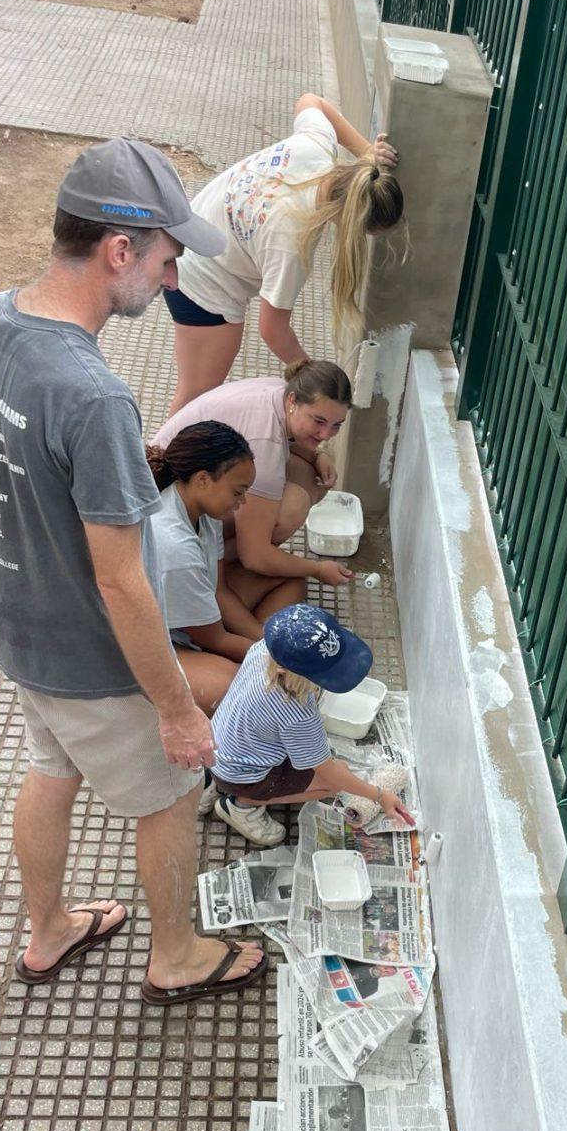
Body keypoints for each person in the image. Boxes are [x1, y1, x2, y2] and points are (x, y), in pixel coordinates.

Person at [0, 138, 267, 1007]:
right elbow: (124, 582)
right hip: (90, 655)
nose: (173, 280)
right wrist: (175, 709)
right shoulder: (94, 396)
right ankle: (177, 956)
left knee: (51, 771)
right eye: (168, 259)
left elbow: (17, 469)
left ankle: (48, 930)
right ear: (118, 249)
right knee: (171, 796)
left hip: (18, 624)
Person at [162, 93, 403, 414]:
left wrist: (366, 151)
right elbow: (272, 329)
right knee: (196, 399)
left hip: (191, 234)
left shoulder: (316, 146)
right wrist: (310, 372)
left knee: (195, 397)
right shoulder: (292, 241)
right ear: (351, 222)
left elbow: (311, 101)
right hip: (202, 282)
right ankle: (154, 463)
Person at [151, 359, 355, 613]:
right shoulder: (264, 443)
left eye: (337, 425)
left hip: (172, 487)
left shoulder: (279, 391)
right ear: (293, 401)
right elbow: (254, 558)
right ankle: (230, 559)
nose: (326, 434)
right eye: (319, 421)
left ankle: (229, 558)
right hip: (170, 521)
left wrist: (316, 455)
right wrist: (317, 569)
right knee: (287, 520)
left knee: (308, 477)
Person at [208, 603, 415, 846]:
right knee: (332, 785)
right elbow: (330, 774)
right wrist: (380, 796)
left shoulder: (263, 649)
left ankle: (210, 785)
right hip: (242, 776)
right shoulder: (297, 714)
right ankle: (241, 805)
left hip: (214, 746)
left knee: (328, 769)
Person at [144, 421, 274, 713]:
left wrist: (266, 643)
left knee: (287, 581)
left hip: (196, 620)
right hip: (155, 641)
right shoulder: (174, 546)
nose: (242, 502)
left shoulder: (203, 508)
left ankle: (263, 655)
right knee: (236, 692)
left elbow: (219, 590)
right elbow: (214, 638)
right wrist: (278, 660)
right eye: (238, 492)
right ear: (203, 479)